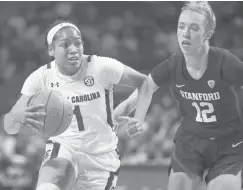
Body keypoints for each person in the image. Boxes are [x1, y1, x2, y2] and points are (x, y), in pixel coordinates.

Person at [3, 19, 146, 190]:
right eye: (65, 45)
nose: (74, 49)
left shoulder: (101, 66)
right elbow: (9, 127)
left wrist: (128, 110)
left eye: (78, 43)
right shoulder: (40, 78)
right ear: (51, 50)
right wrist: (15, 116)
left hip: (101, 158)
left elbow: (146, 84)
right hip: (64, 148)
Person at [119, 1, 243, 190]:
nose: (185, 33)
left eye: (194, 28)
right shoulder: (173, 64)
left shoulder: (226, 62)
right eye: (181, 26)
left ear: (207, 34)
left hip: (229, 144)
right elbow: (146, 86)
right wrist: (128, 115)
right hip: (191, 144)